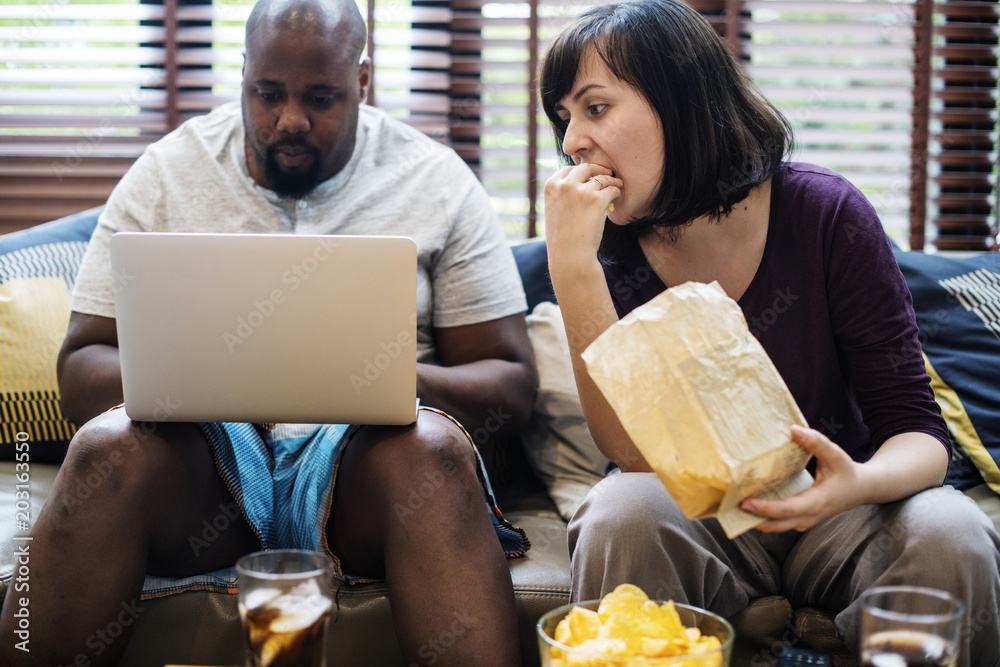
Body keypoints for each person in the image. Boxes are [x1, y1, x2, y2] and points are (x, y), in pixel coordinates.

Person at [0, 0, 537, 665]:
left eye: (320, 98)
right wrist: (213, 377)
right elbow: (81, 368)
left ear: (362, 83)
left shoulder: (439, 181)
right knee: (106, 446)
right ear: (243, 74)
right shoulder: (167, 174)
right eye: (267, 93)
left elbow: (510, 383)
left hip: (371, 468)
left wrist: (372, 379)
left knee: (432, 450)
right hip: (203, 469)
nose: (290, 119)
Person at [538, 0, 1000, 664]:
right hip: (700, 520)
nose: (572, 141)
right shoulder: (600, 246)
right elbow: (632, 456)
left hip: (844, 510)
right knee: (620, 510)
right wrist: (573, 266)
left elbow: (919, 432)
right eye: (564, 119)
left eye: (596, 108)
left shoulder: (826, 214)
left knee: (952, 529)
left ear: (683, 100)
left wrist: (856, 484)